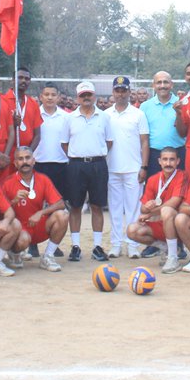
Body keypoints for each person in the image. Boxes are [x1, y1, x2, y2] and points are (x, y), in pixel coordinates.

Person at [61, 82, 113, 262]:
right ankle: (75, 246)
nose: (86, 98)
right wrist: (79, 155)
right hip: (76, 165)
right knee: (75, 206)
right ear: (77, 98)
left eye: (89, 94)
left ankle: (97, 246)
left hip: (98, 164)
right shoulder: (70, 118)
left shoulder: (104, 117)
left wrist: (94, 154)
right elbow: (64, 143)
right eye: (83, 95)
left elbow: (109, 142)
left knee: (97, 206)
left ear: (94, 96)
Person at [2, 147, 69, 272]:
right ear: (15, 163)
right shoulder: (8, 183)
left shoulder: (43, 179)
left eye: (27, 158)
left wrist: (41, 212)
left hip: (38, 225)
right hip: (19, 230)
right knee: (23, 240)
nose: (25, 162)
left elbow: (60, 204)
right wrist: (14, 201)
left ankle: (48, 256)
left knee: (63, 216)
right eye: (20, 159)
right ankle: (14, 253)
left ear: (33, 161)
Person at [104, 76, 148, 258]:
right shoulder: (105, 115)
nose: (120, 94)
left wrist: (144, 166)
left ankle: (132, 245)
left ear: (129, 92)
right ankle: (115, 245)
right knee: (114, 209)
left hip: (133, 168)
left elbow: (144, 142)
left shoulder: (138, 114)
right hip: (111, 168)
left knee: (133, 209)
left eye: (124, 90)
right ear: (113, 92)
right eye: (117, 90)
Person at [126, 148, 187, 271]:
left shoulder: (182, 176)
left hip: (178, 225)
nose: (168, 163)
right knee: (132, 230)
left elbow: (174, 202)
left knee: (167, 211)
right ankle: (166, 249)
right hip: (160, 223)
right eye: (165, 159)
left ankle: (173, 258)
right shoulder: (153, 179)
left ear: (178, 161)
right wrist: (147, 206)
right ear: (159, 161)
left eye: (172, 159)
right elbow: (143, 209)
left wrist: (150, 214)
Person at [142, 71, 186, 178]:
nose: (162, 86)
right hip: (154, 156)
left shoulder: (182, 103)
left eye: (165, 82)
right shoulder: (145, 107)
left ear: (171, 84)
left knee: (179, 190)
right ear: (153, 85)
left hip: (178, 154)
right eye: (159, 82)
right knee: (154, 191)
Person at [7, 66, 43, 154]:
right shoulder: (3, 101)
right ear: (12, 80)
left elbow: (37, 135)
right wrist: (13, 125)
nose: (24, 81)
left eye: (27, 79)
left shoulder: (33, 103)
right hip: (8, 154)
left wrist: (28, 153)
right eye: (20, 78)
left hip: (26, 156)